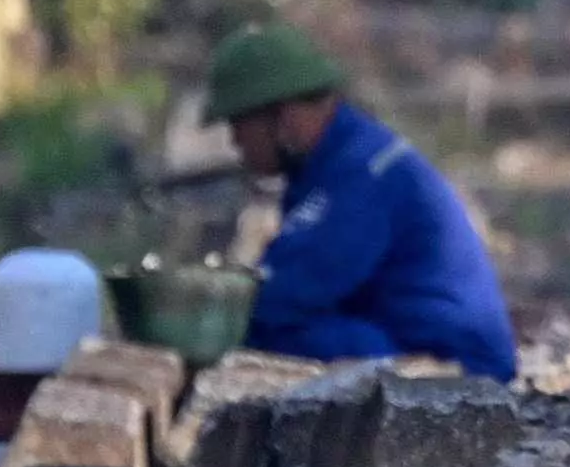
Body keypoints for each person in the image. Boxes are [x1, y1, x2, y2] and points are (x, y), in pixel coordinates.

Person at [205, 24, 519, 381]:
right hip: (418, 344)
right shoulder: (342, 159)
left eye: (238, 123)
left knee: (272, 333)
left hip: (459, 368)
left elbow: (283, 296)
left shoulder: (359, 172)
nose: (234, 142)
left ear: (284, 115)